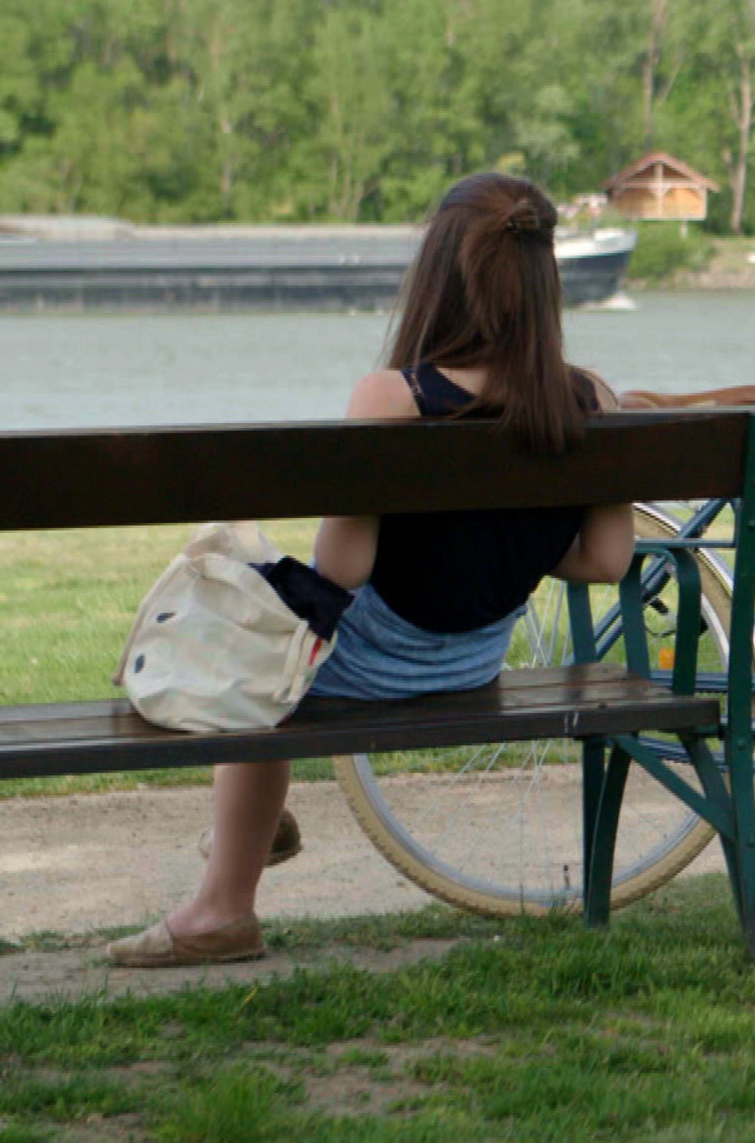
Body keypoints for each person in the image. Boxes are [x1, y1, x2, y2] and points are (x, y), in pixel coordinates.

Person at [107, 173, 636, 968]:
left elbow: (342, 570)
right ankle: (244, 828)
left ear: (437, 282)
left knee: (251, 663)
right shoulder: (588, 395)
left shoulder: (392, 397)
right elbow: (604, 558)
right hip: (474, 662)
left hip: (371, 668)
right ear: (542, 284)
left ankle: (223, 907)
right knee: (266, 655)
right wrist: (505, 537)